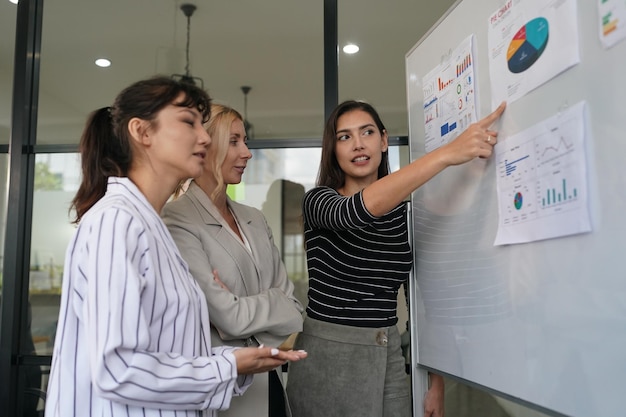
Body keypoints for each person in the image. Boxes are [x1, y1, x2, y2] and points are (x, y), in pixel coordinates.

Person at [44, 76, 307, 417]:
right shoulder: (116, 222)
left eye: (202, 125)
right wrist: (226, 366)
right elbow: (118, 369)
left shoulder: (151, 228)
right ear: (142, 132)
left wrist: (235, 361)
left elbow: (168, 353)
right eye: (188, 122)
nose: (203, 137)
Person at [286, 99, 506, 417]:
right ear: (333, 149)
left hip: (386, 352)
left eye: (367, 132)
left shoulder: (407, 217)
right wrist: (445, 154)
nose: (358, 144)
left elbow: (426, 302)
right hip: (328, 357)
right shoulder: (319, 201)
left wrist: (437, 386)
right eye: (345, 137)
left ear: (384, 140)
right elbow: (354, 213)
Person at [161, 104, 304, 417]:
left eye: (246, 141)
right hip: (223, 390)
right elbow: (228, 317)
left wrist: (237, 309)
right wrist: (269, 304)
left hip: (272, 385)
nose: (248, 153)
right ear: (205, 146)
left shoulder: (254, 218)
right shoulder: (177, 219)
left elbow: (293, 311)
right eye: (235, 141)